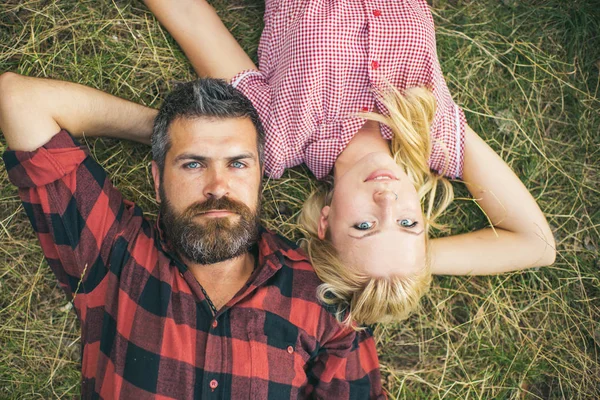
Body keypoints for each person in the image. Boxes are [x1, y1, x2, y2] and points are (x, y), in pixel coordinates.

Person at [137, 0, 557, 327]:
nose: (388, 201)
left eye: (364, 226)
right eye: (409, 224)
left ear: (325, 222)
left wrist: (401, 251)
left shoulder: (279, 135)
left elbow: (189, 15)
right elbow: (537, 243)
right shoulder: (432, 132)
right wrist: (408, 262)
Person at [0, 73, 385, 399]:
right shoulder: (113, 250)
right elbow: (18, 99)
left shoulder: (322, 296)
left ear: (259, 176)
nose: (218, 186)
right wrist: (166, 135)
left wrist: (186, 144)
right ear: (157, 179)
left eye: (237, 163)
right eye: (193, 164)